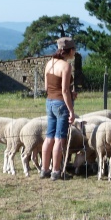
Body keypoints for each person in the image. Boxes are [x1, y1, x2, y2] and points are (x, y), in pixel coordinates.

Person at [40, 36, 77, 180]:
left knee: (49, 137)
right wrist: (71, 111)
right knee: (60, 138)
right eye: (74, 50)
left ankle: (44, 169)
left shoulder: (49, 63)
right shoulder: (66, 66)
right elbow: (64, 91)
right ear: (70, 50)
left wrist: (66, 92)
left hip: (49, 102)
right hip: (61, 104)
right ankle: (56, 171)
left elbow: (46, 87)